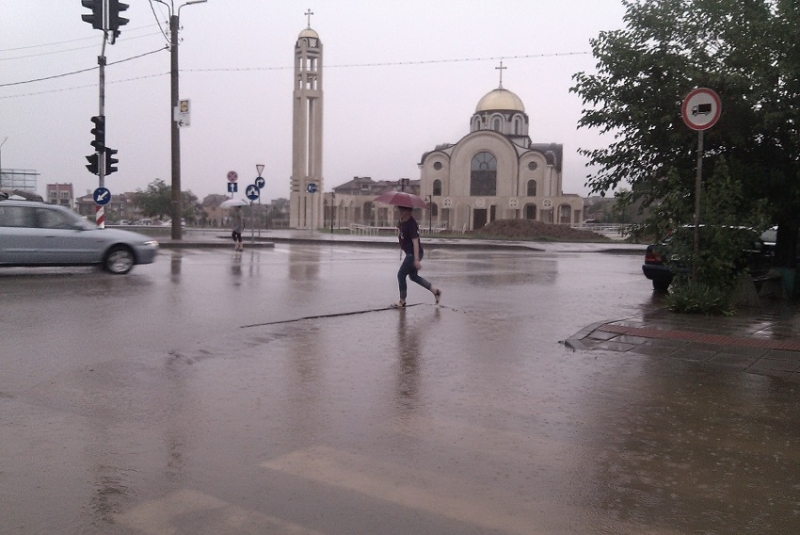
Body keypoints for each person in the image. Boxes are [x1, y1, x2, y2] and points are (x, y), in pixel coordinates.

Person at [394, 205, 441, 307]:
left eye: (403, 210)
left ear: (408, 211)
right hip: (410, 253)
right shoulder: (403, 222)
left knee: (401, 275)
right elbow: (403, 238)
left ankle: (402, 300)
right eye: (400, 210)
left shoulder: (411, 224)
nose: (400, 212)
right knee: (413, 276)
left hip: (414, 254)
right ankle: (435, 291)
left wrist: (416, 260)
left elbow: (415, 242)